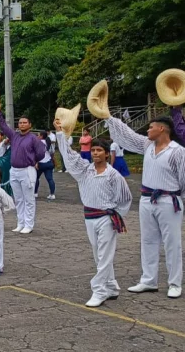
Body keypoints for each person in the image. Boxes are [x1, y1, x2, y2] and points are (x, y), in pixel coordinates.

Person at [105, 115, 185, 298]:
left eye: (151, 127)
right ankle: (149, 280)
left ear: (162, 129)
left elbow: (184, 178)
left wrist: (179, 199)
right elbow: (127, 135)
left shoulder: (178, 151)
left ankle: (174, 283)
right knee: (148, 241)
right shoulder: (147, 145)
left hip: (168, 200)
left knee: (172, 242)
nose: (147, 130)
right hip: (146, 199)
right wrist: (109, 119)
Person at [55, 128, 132, 307]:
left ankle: (99, 290)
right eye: (93, 150)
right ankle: (111, 286)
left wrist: (116, 216)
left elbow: (126, 198)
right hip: (89, 216)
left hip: (106, 217)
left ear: (106, 154)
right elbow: (69, 156)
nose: (96, 153)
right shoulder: (84, 170)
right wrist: (60, 134)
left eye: (99, 150)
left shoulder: (113, 175)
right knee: (99, 254)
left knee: (104, 255)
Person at [0, 113, 46, 234]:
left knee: (28, 199)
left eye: (25, 122)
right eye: (20, 122)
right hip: (14, 170)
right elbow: (4, 127)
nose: (22, 124)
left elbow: (41, 153)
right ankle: (20, 223)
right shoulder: (14, 136)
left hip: (27, 170)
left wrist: (33, 160)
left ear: (30, 125)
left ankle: (29, 224)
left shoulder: (34, 138)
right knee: (18, 199)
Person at [34, 131, 56, 200]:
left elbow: (37, 154)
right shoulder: (48, 143)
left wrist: (36, 162)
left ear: (41, 136)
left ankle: (35, 193)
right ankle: (52, 194)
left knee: (36, 178)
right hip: (48, 163)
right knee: (50, 179)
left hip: (40, 163)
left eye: (38, 135)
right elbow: (52, 153)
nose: (37, 137)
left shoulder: (38, 143)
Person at [0, 131, 12, 195]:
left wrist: (10, 133)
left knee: (1, 176)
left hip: (1, 162)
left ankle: (3, 191)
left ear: (2, 137)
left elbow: (7, 140)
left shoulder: (3, 143)